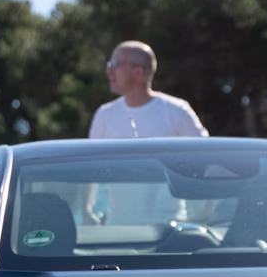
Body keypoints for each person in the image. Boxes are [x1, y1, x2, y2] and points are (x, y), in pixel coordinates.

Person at [87, 41, 207, 223]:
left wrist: (202, 216)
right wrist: (86, 211)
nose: (109, 71)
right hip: (117, 233)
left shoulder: (176, 111)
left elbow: (208, 160)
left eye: (114, 65)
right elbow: (88, 169)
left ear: (138, 72)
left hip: (169, 232)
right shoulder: (105, 115)